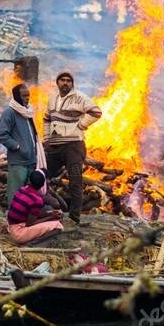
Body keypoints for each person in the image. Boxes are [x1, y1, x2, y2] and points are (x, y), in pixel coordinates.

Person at [44, 71, 101, 226]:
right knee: (43, 176)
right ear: (57, 82)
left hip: (73, 146)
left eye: (68, 80)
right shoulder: (53, 97)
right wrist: (46, 139)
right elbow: (46, 119)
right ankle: (45, 208)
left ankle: (74, 216)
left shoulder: (80, 97)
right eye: (62, 80)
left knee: (75, 180)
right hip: (55, 146)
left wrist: (82, 125)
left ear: (72, 83)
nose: (65, 83)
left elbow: (96, 112)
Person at [0, 83, 46, 205]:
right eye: (24, 96)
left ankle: (24, 220)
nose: (27, 98)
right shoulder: (9, 113)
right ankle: (13, 220)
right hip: (18, 162)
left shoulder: (28, 111)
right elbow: (1, 135)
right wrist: (17, 146)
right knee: (15, 194)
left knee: (29, 194)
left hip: (31, 161)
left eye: (28, 95)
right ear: (17, 97)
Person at [6, 170, 63, 246]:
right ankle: (32, 244)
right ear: (43, 185)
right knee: (58, 226)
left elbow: (31, 213)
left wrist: (50, 214)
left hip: (11, 227)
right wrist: (51, 217)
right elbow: (30, 223)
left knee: (53, 217)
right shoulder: (37, 200)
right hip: (18, 233)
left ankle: (31, 240)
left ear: (30, 181)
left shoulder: (22, 189)